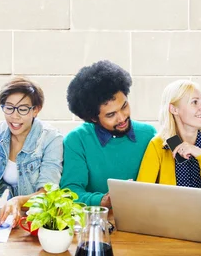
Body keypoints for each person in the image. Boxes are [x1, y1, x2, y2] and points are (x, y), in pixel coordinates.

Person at [59, 60, 156, 207]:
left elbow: (171, 138)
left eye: (124, 106)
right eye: (111, 115)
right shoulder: (77, 140)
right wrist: (103, 200)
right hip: (97, 221)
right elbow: (70, 192)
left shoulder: (149, 133)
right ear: (93, 118)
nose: (122, 118)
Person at [138, 80, 201, 214]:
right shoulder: (158, 145)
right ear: (174, 109)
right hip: (169, 222)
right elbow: (141, 198)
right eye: (195, 102)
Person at [0, 77, 63, 227]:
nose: (14, 116)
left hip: (43, 221)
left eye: (23, 109)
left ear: (36, 110)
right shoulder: (0, 134)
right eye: (9, 107)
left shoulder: (51, 138)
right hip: (15, 221)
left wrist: (19, 200)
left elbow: (48, 193)